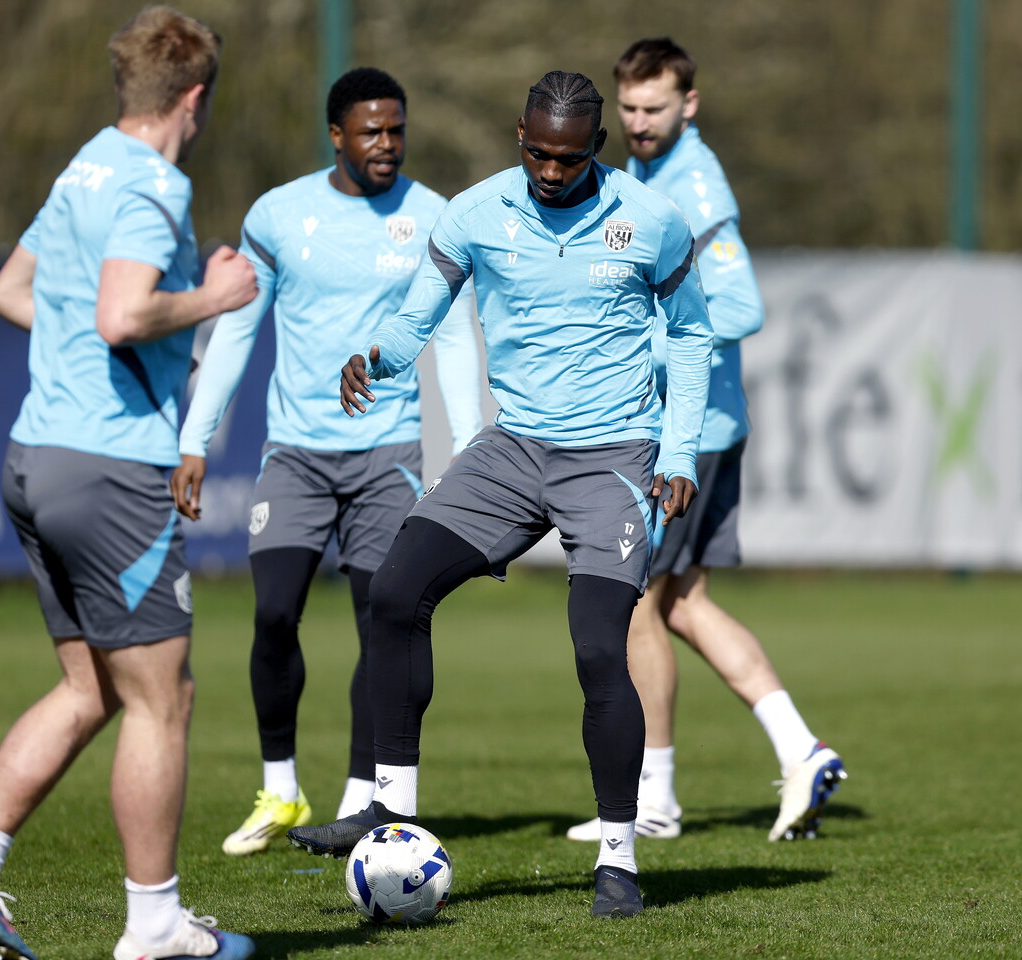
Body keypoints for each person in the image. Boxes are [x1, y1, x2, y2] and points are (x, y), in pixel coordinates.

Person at [288, 70, 714, 919]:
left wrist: (680, 455)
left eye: (569, 158)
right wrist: (375, 356)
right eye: (536, 154)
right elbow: (419, 315)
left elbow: (694, 336)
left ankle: (619, 860)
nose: (551, 172)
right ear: (517, 136)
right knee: (396, 590)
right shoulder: (474, 213)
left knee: (599, 650)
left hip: (614, 459)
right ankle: (390, 809)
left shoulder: (653, 223)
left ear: (596, 146)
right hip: (512, 450)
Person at [0, 9, 258, 960]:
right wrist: (216, 299)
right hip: (107, 470)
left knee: (88, 689)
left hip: (34, 457)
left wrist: (97, 337)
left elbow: (10, 292)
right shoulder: (151, 186)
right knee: (163, 700)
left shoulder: (85, 165)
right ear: (195, 97)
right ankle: (154, 928)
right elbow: (122, 315)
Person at [171, 67, 483, 856]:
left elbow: (450, 339)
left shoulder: (435, 218)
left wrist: (471, 453)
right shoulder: (279, 215)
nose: (388, 144)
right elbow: (239, 331)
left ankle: (359, 798)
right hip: (297, 457)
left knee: (384, 621)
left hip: (391, 455)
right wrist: (194, 438)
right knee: (274, 613)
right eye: (372, 132)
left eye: (398, 130)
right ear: (336, 135)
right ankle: (279, 790)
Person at [565, 37, 846, 846]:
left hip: (689, 431)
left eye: (656, 108)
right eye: (630, 108)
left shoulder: (693, 183)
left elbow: (744, 306)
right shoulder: (651, 173)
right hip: (704, 425)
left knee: (635, 606)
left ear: (691, 104)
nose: (639, 123)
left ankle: (653, 800)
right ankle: (802, 748)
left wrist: (641, 346)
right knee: (684, 603)